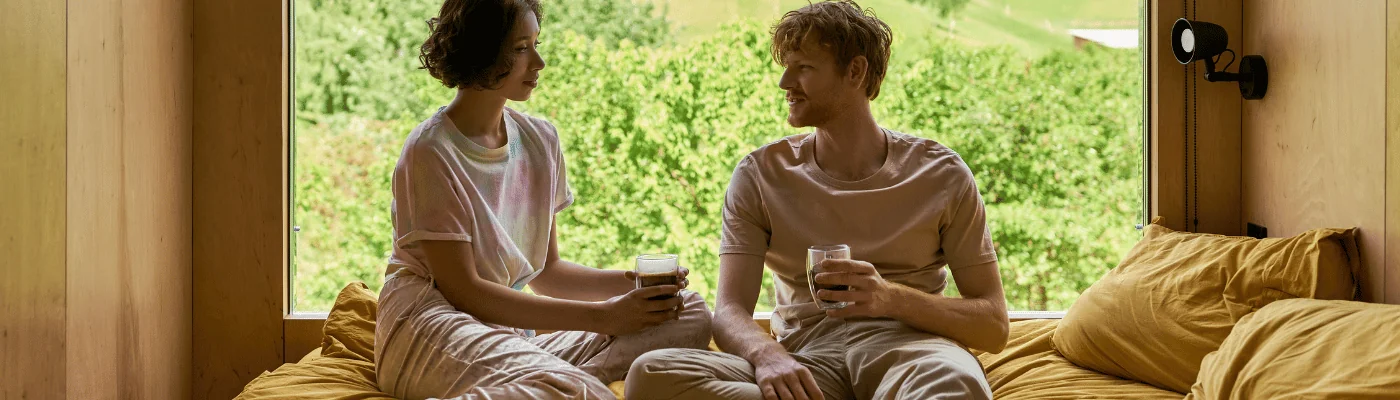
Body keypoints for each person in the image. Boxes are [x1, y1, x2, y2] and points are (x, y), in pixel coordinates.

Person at [626, 1, 1009, 399]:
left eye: (804, 68)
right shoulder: (761, 175)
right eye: (786, 67)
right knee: (651, 373)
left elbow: (994, 327)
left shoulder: (940, 174)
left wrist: (889, 297)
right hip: (805, 360)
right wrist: (767, 355)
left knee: (954, 383)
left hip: (913, 353)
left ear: (855, 71)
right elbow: (730, 311)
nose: (785, 82)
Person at [373, 1, 712, 399]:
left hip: (507, 338)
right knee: (573, 388)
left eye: (536, 44)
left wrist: (638, 288)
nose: (539, 61)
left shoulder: (540, 140)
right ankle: (562, 383)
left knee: (688, 310)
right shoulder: (430, 151)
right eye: (521, 48)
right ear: (483, 50)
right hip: (431, 327)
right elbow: (465, 292)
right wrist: (605, 316)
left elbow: (549, 273)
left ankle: (554, 380)